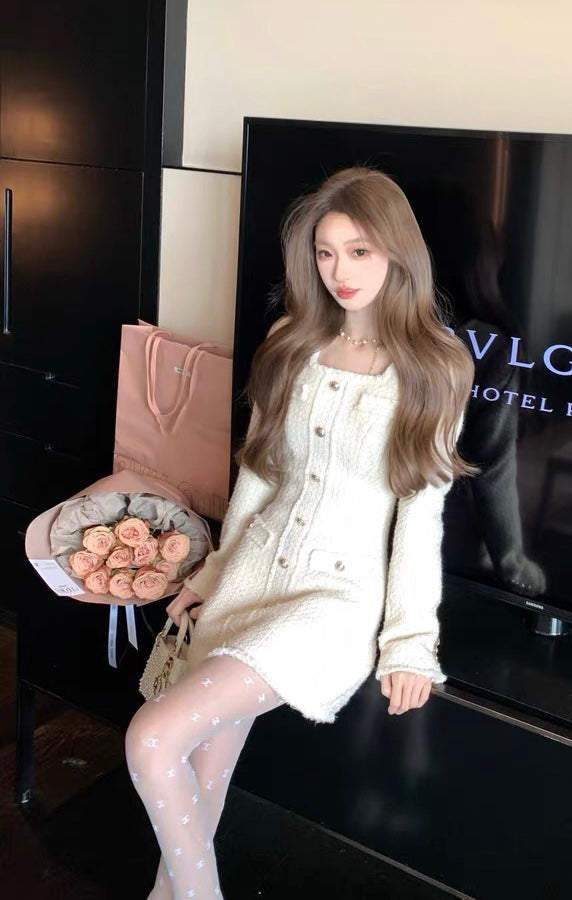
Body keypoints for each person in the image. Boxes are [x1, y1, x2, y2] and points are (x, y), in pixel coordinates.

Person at [124, 167, 474, 900]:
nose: (340, 271)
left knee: (151, 737)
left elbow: (421, 518)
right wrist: (213, 574)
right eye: (326, 252)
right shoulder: (292, 342)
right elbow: (259, 476)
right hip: (253, 572)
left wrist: (410, 643)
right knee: (201, 773)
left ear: (398, 253)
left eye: (360, 251)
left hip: (333, 602)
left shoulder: (435, 368)